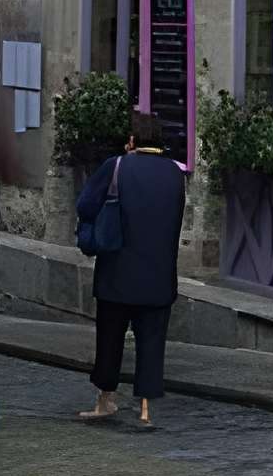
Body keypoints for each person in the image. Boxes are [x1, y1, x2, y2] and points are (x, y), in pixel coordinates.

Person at [77, 111, 189, 432]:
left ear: (131, 141)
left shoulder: (117, 166)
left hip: (117, 271)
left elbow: (86, 205)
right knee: (152, 341)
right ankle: (145, 408)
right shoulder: (174, 174)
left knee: (110, 338)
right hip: (158, 274)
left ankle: (105, 399)